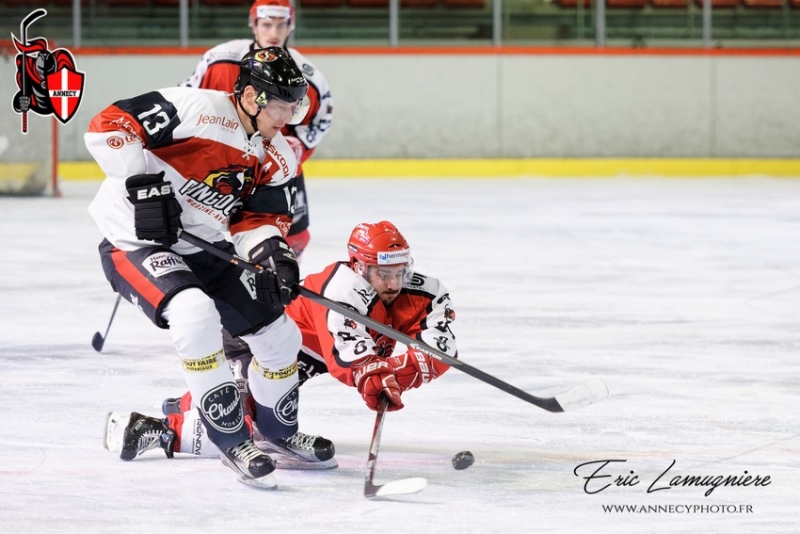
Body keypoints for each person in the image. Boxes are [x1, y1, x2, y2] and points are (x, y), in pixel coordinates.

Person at [87, 46, 334, 490]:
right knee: (194, 313)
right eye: (281, 106)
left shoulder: (278, 154)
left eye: (294, 107)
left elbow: (257, 219)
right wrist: (142, 185)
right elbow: (110, 124)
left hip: (206, 246)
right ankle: (231, 439)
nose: (288, 117)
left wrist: (273, 255)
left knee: (281, 336)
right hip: (135, 242)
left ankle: (276, 431)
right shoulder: (193, 108)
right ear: (252, 97)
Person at [104, 221, 458, 464]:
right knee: (234, 428)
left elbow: (438, 351)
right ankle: (154, 429)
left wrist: (398, 375)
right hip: (255, 342)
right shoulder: (340, 289)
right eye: (384, 274)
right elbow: (351, 360)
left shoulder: (425, 292)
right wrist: (379, 378)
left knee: (261, 416)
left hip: (301, 361)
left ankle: (194, 405)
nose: (394, 284)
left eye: (400, 272)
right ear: (359, 266)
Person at [180, 0, 333, 260]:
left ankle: (278, 280)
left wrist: (298, 147)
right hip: (218, 159)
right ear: (254, 25)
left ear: (290, 27)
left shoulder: (306, 74)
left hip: (273, 166)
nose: (274, 32)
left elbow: (322, 117)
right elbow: (187, 101)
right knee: (202, 228)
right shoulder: (220, 59)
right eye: (266, 24)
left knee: (291, 236)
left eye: (281, 25)